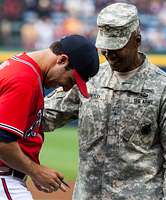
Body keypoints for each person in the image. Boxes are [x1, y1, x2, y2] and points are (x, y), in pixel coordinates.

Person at [44, 3, 166, 200]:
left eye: (116, 47)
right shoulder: (91, 78)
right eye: (105, 47)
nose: (109, 53)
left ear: (137, 40)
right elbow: (45, 116)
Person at [0, 34, 99, 200]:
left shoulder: (23, 66)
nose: (68, 88)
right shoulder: (25, 79)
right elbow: (2, 142)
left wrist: (29, 170)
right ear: (62, 60)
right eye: (72, 80)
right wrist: (36, 172)